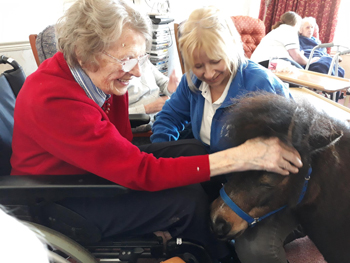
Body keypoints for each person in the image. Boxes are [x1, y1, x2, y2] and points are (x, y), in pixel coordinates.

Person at [10, 0, 302, 261]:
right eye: (127, 60)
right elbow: (141, 171)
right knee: (187, 202)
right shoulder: (53, 99)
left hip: (92, 171)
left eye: (139, 58)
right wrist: (241, 157)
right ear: (84, 53)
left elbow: (123, 141)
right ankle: (221, 255)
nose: (137, 72)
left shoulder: (99, 76)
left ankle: (225, 220)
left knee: (195, 150)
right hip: (60, 198)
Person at [150, 6, 304, 263]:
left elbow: (287, 153)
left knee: (248, 247)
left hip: (256, 188)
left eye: (215, 62)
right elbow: (168, 118)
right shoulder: (192, 83)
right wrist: (165, 156)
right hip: (218, 179)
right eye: (198, 65)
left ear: (231, 49)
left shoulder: (260, 84)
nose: (208, 74)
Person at [251, 11, 319, 69]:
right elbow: (296, 56)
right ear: (296, 24)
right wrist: (309, 61)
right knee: (301, 76)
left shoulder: (278, 30)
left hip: (259, 64)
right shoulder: (289, 29)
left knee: (295, 73)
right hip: (268, 64)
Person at [128, 59, 179, 133]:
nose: (139, 72)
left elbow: (164, 82)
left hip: (160, 114)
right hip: (142, 124)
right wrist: (146, 109)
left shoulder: (143, 60)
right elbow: (113, 115)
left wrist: (170, 89)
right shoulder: (114, 74)